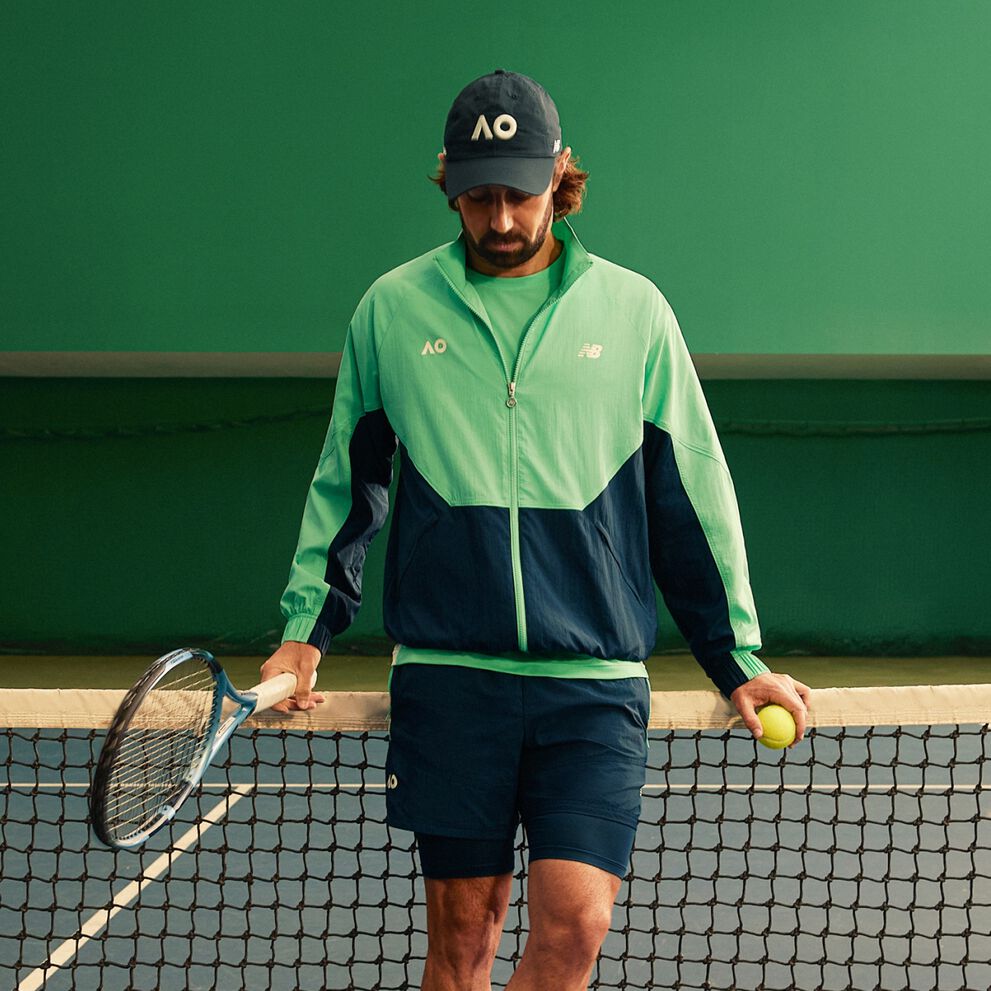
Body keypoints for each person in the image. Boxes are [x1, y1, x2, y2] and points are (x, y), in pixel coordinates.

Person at [260, 69, 810, 991]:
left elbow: (690, 496)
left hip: (591, 681)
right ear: (447, 181)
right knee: (463, 940)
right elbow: (347, 483)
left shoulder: (633, 311)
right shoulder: (391, 310)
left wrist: (736, 657)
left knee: (576, 926)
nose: (502, 219)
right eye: (480, 197)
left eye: (520, 193)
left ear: (559, 174)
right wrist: (305, 629)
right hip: (450, 678)